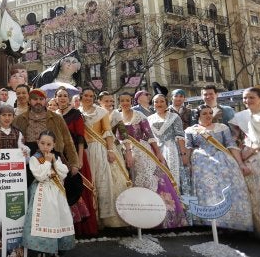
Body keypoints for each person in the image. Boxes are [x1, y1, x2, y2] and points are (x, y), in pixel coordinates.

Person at [115, 92, 187, 229]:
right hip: (124, 153)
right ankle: (137, 220)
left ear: (132, 101)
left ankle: (162, 220)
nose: (125, 103)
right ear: (119, 102)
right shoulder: (116, 116)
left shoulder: (140, 115)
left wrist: (158, 153)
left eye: (127, 100)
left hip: (143, 152)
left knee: (153, 182)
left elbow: (150, 136)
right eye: (122, 100)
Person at [185, 104, 252, 231]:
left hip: (222, 160)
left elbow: (231, 145)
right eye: (204, 113)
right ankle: (210, 222)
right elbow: (189, 148)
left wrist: (240, 164)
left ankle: (230, 220)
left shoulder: (222, 127)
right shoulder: (191, 130)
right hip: (201, 162)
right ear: (198, 115)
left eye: (210, 113)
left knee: (225, 187)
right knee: (207, 189)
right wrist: (188, 164)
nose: (208, 116)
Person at [22, 130, 75, 257]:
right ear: (38, 143)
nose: (46, 146)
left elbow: (63, 173)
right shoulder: (35, 158)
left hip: (57, 194)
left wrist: (54, 163)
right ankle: (41, 255)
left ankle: (54, 253)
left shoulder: (55, 157)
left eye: (49, 144)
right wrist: (46, 162)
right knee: (45, 220)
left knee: (57, 220)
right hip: (42, 193)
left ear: (54, 145)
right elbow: (40, 175)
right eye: (43, 143)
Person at [80, 88, 130, 228]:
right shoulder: (77, 112)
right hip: (84, 150)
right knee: (90, 181)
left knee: (102, 181)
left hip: (98, 148)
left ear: (94, 98)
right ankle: (92, 219)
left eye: (91, 96)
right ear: (81, 96)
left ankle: (104, 219)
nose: (88, 98)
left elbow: (108, 133)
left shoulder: (101, 112)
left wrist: (110, 150)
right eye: (86, 95)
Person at [13, 88, 79, 187]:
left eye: (41, 99)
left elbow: (68, 141)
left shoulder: (57, 118)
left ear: (45, 100)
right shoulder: (19, 119)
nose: (38, 102)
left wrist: (74, 163)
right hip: (28, 159)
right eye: (35, 99)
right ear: (29, 101)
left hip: (51, 156)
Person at [56, 87, 97, 236]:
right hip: (61, 157)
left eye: (65, 96)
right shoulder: (55, 115)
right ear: (55, 98)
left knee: (79, 188)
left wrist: (79, 159)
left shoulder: (75, 114)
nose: (62, 98)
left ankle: (82, 228)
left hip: (75, 155)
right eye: (59, 96)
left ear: (69, 98)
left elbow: (80, 138)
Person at [229, 87, 260, 237]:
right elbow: (234, 139)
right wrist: (242, 157)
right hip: (250, 161)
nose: (247, 101)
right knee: (255, 196)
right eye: (244, 98)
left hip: (257, 154)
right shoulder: (240, 117)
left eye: (251, 97)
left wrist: (255, 148)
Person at [148, 94, 192, 202]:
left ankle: (180, 208)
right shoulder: (149, 119)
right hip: (156, 151)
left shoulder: (174, 117)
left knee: (175, 178)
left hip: (172, 150)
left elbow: (180, 136)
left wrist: (184, 155)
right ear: (153, 104)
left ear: (166, 103)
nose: (159, 104)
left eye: (161, 101)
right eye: (156, 102)